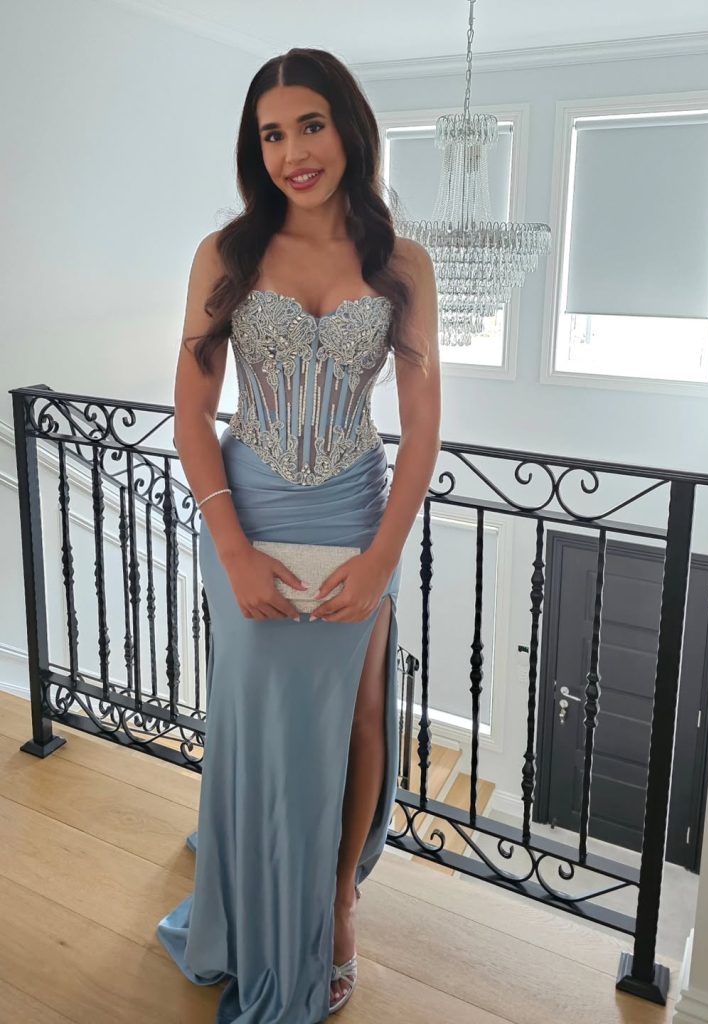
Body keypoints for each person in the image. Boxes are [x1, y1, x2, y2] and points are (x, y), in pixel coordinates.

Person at [155, 47, 441, 1024]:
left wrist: (383, 554)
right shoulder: (226, 253)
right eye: (271, 134)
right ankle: (250, 907)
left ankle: (338, 904)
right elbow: (192, 413)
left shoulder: (401, 262)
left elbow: (422, 427)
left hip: (357, 513)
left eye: (309, 125)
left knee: (358, 716)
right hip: (250, 515)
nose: (292, 153)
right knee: (254, 715)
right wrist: (231, 549)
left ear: (348, 129)